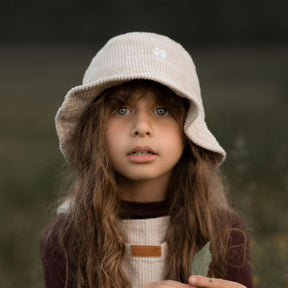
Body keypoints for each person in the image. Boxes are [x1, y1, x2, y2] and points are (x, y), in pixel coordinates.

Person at [41, 32, 253, 288]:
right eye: (121, 110)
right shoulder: (67, 237)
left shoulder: (224, 232)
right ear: (94, 131)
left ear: (188, 131)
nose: (142, 127)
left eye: (162, 110)